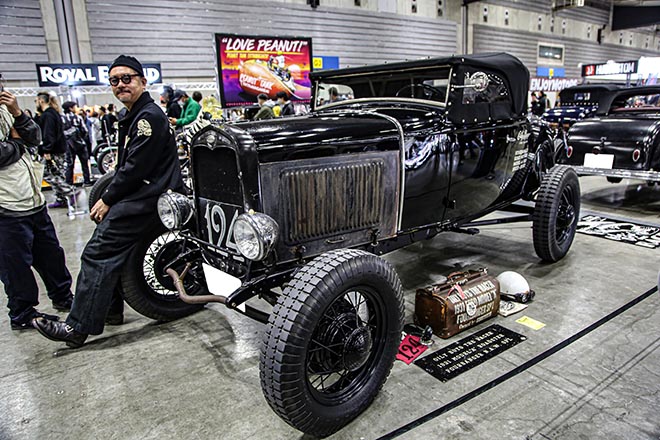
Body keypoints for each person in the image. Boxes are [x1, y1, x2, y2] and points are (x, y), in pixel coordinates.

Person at [33, 55, 184, 347]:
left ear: (143, 81)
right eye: (114, 80)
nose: (120, 84)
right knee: (110, 245)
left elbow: (135, 168)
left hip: (150, 198)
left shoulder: (148, 117)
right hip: (144, 195)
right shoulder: (135, 114)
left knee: (97, 251)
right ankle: (109, 311)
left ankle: (77, 328)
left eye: (127, 78)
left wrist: (107, 198)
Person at [0, 90, 74, 330]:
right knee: (16, 265)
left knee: (51, 254)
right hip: (6, 206)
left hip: (32, 199)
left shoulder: (6, 108)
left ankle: (63, 297)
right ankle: (22, 313)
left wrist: (17, 114)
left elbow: (35, 137)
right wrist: (18, 143)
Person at [35, 91, 75, 208]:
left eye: (36, 101)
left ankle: (69, 191)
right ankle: (61, 199)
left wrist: (46, 150)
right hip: (57, 149)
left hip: (53, 150)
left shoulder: (48, 115)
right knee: (57, 174)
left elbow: (49, 133)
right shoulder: (53, 113)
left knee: (48, 174)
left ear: (41, 100)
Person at [61, 101, 93, 186]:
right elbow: (85, 130)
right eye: (75, 107)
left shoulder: (61, 118)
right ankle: (87, 181)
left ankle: (69, 183)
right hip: (80, 144)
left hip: (67, 144)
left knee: (70, 164)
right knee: (84, 163)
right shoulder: (77, 117)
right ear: (71, 108)